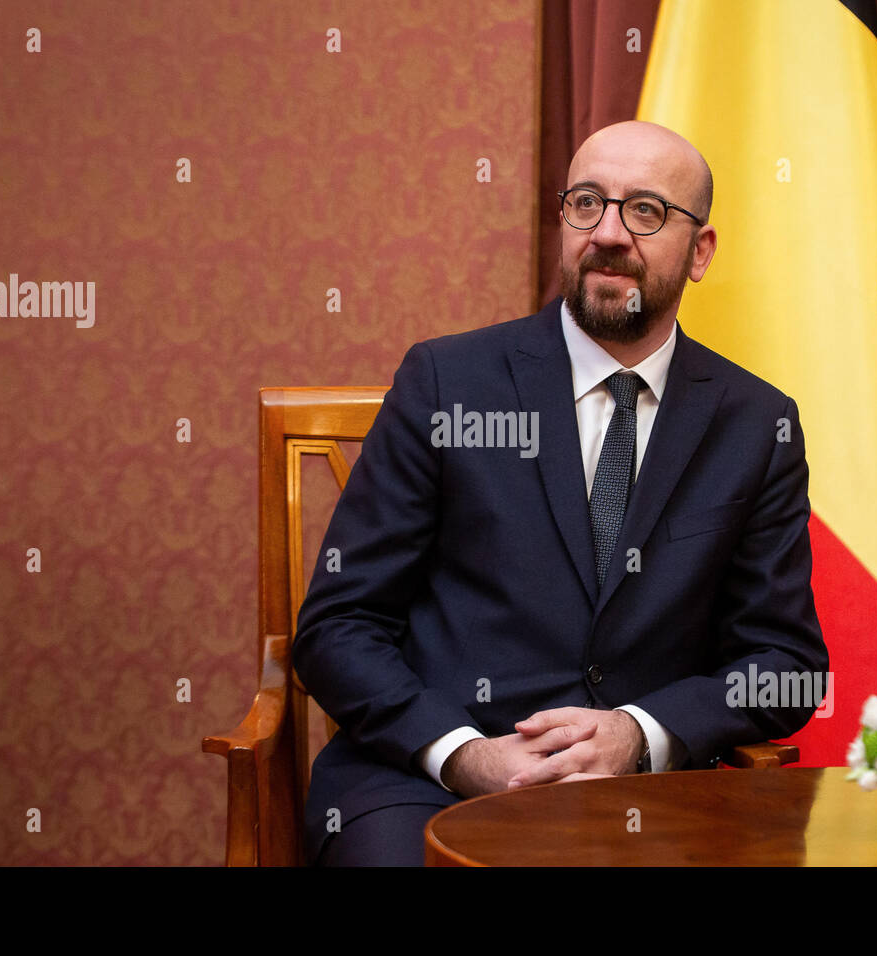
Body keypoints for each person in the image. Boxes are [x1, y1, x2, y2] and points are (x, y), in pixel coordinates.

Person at [293, 120, 828, 866]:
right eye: (586, 203)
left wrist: (639, 732)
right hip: (428, 784)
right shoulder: (449, 383)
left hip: (653, 801)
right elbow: (338, 625)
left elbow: (787, 666)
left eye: (645, 211)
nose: (609, 233)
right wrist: (464, 753)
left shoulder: (755, 423)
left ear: (700, 251)